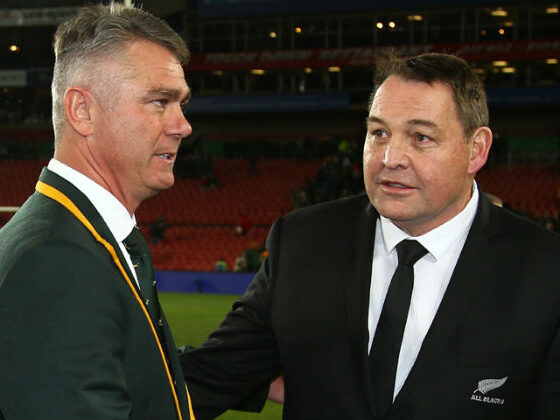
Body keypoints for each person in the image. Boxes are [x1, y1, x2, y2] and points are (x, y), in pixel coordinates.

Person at [180, 53, 560, 419]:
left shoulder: (545, 271)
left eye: (421, 137)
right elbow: (210, 376)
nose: (390, 158)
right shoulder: (302, 242)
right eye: (379, 132)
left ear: (476, 150)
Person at [0, 3, 195, 419]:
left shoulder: (73, 236)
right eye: (160, 101)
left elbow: (139, 382)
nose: (183, 125)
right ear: (82, 111)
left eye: (181, 103)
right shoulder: (57, 262)